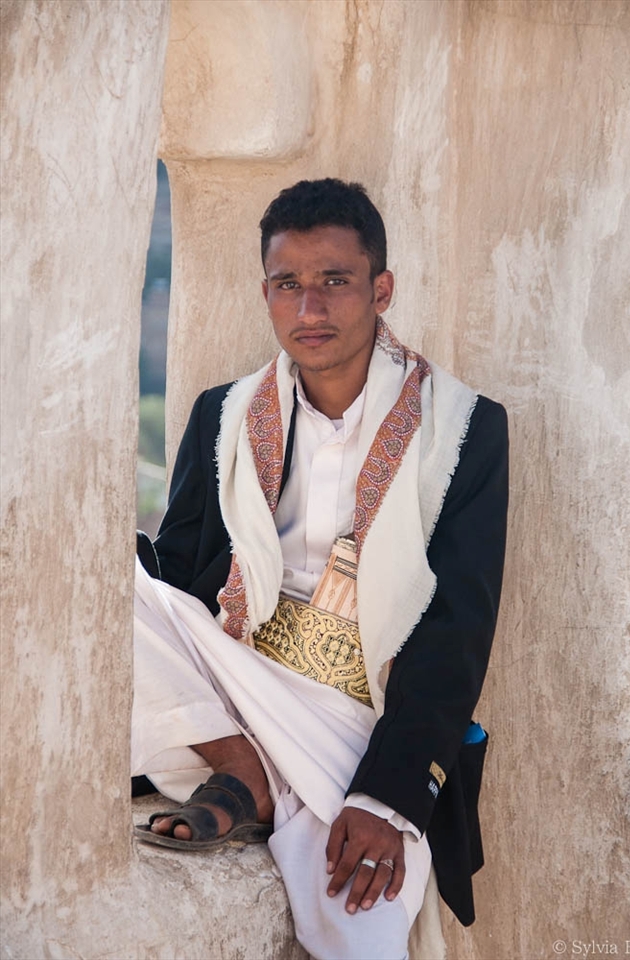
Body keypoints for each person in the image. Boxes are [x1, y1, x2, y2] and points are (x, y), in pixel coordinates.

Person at [132, 178, 508, 960]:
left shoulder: (465, 429)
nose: (309, 309)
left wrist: (387, 797)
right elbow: (174, 576)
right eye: (287, 285)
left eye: (334, 281)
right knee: (102, 587)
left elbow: (456, 632)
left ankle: (249, 787)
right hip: (231, 686)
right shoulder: (224, 413)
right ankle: (242, 772)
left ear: (380, 289)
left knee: (359, 924)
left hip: (355, 721)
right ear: (265, 292)